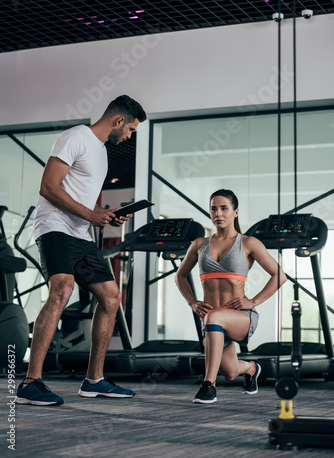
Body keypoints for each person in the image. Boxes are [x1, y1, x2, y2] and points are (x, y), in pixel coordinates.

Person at [16, 95, 147, 406]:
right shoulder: (75, 137)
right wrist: (91, 215)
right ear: (118, 121)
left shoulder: (100, 152)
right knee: (62, 289)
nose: (128, 136)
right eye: (130, 129)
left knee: (111, 296)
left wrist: (104, 213)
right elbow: (48, 186)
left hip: (80, 235)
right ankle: (31, 381)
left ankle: (94, 379)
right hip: (54, 228)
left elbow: (83, 201)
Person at [175, 189, 286, 404]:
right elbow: (180, 276)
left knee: (214, 317)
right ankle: (252, 369)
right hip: (212, 322)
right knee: (230, 372)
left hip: (239, 316)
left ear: (235, 212)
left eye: (224, 208)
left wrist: (253, 301)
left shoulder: (248, 243)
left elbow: (279, 275)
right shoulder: (199, 245)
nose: (218, 213)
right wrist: (192, 302)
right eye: (214, 208)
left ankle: (208, 385)